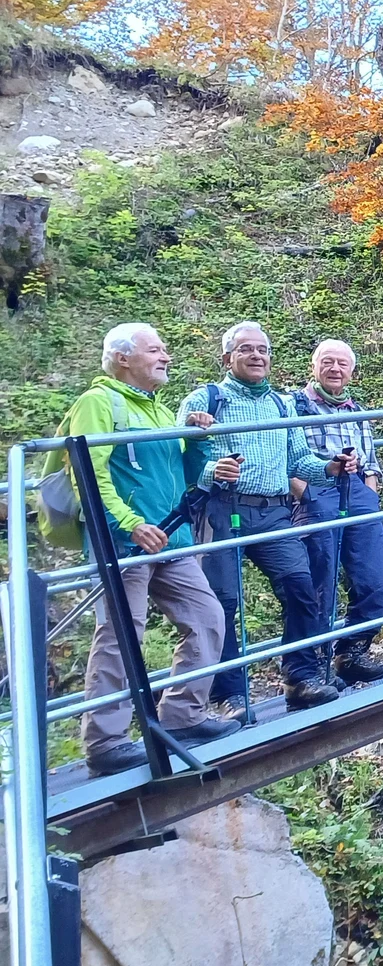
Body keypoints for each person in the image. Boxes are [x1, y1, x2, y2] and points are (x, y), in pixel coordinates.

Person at [69, 324, 240, 775]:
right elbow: (87, 473)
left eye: (165, 348)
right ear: (123, 358)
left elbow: (186, 475)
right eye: (155, 349)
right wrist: (129, 523)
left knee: (207, 618)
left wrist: (200, 441)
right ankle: (105, 742)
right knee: (121, 633)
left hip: (173, 537)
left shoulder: (161, 410)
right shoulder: (98, 403)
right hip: (125, 541)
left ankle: (182, 715)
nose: (166, 355)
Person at [181, 321, 358, 712]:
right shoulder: (205, 400)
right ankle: (228, 694)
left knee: (301, 587)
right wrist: (212, 471)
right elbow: (181, 456)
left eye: (262, 349)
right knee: (222, 602)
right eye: (246, 349)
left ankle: (301, 676)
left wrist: (331, 466)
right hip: (222, 509)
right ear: (227, 357)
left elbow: (299, 459)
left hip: (275, 510)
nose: (257, 356)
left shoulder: (281, 404)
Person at [291, 339, 383, 686]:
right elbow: (283, 456)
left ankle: (352, 651)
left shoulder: (355, 408)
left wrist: (370, 492)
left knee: (375, 578)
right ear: (314, 366)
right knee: (320, 583)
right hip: (316, 493)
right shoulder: (294, 405)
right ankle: (314, 667)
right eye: (328, 362)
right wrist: (305, 495)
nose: (335, 369)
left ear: (351, 371)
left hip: (357, 492)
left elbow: (371, 461)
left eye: (342, 364)